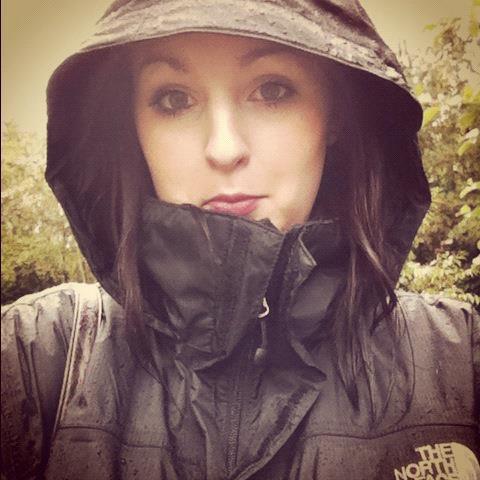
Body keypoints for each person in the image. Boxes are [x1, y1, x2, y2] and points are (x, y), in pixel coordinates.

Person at [1, 0, 479, 479]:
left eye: (272, 91)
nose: (224, 148)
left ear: (334, 117)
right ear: (133, 129)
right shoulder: (35, 358)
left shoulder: (463, 360)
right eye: (174, 99)